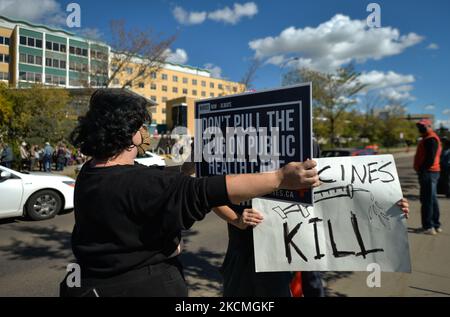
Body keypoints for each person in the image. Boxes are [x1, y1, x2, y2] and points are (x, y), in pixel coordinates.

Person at [59, 89, 320, 297]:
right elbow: (204, 191)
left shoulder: (90, 172)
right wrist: (279, 177)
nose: (146, 132)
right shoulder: (140, 182)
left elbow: (160, 188)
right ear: (130, 133)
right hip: (140, 287)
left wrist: (189, 168)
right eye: (141, 126)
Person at [414, 119, 442, 235]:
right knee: (432, 199)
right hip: (431, 172)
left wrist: (422, 170)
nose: (420, 128)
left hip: (429, 173)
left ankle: (428, 226)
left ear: (429, 126)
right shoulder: (428, 138)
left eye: (422, 126)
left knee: (427, 200)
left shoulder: (430, 139)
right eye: (419, 126)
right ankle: (435, 224)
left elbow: (430, 158)